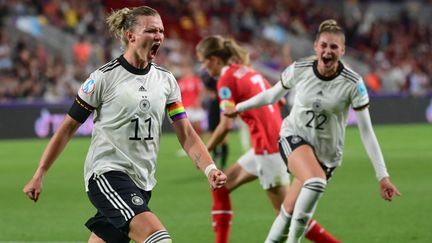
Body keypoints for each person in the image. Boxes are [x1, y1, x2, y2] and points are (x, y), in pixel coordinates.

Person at [23, 6, 227, 243]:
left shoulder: (166, 80)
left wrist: (210, 169)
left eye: (161, 31)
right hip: (106, 174)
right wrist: (40, 172)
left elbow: (187, 133)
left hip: (142, 181)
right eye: (151, 30)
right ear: (131, 36)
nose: (159, 36)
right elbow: (68, 127)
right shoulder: (104, 77)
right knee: (158, 238)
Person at [225, 19, 401, 243]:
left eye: (334, 47)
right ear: (316, 47)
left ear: (342, 50)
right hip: (293, 137)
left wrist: (382, 176)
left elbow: (367, 131)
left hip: (327, 155)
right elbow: (272, 95)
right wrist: (238, 108)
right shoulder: (299, 69)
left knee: (288, 210)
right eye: (324, 45)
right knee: (316, 181)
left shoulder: (353, 83)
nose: (328, 51)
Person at [196, 35, 340, 243]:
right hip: (270, 144)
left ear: (215, 60)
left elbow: (226, 124)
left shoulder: (226, 79)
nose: (203, 67)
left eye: (203, 61)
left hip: (269, 150)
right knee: (220, 187)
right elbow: (279, 100)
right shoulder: (249, 71)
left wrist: (204, 150)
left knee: (290, 217)